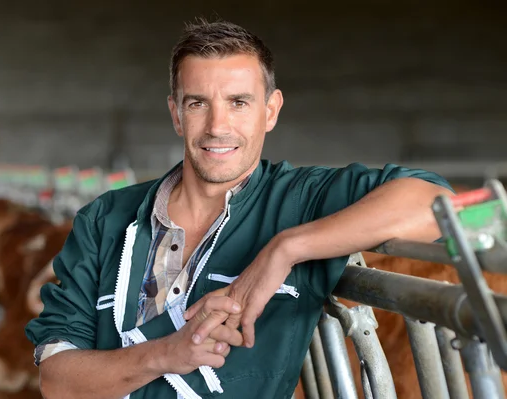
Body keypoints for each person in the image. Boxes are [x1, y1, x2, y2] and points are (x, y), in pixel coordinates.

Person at [24, 18, 454, 399]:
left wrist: (284, 249)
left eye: (239, 102)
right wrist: (167, 354)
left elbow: (436, 202)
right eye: (198, 103)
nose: (217, 127)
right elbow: (59, 383)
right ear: (176, 114)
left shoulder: (300, 201)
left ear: (271, 110)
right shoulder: (105, 219)